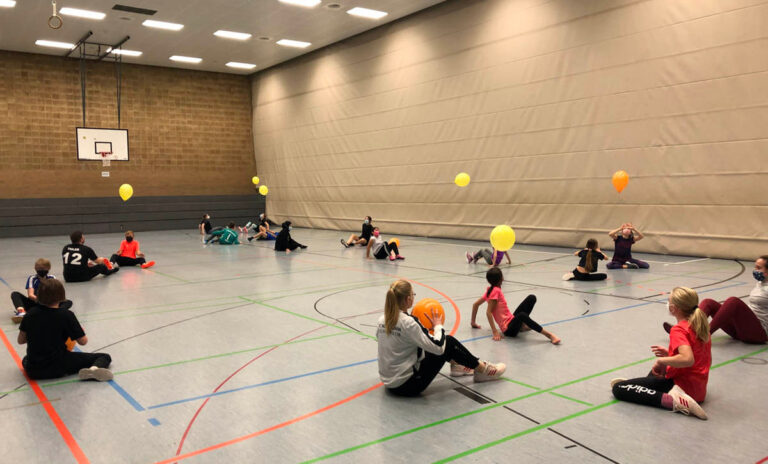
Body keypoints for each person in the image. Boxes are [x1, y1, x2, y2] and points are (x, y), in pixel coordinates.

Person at [377, 280, 506, 396]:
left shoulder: (382, 320)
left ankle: (457, 366)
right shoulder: (409, 322)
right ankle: (484, 370)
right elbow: (438, 347)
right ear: (407, 299)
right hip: (408, 386)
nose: (413, 298)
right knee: (447, 342)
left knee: (426, 343)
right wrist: (438, 326)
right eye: (412, 295)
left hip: (389, 382)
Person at [611, 287, 710, 420]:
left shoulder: (678, 330)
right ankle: (639, 385)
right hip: (698, 389)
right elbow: (696, 357)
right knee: (655, 372)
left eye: (669, 301)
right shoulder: (699, 326)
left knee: (618, 388)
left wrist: (662, 361)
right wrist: (670, 354)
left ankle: (675, 401)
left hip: (683, 387)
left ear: (673, 308)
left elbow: (688, 359)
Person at [17, 279, 113, 381]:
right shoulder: (66, 315)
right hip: (59, 366)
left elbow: (21, 340)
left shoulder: (30, 314)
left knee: (26, 359)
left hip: (34, 370)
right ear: (61, 295)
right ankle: (93, 369)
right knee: (104, 356)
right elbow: (83, 341)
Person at [663, 255, 768, 344]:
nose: (755, 270)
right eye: (755, 267)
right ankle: (686, 328)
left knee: (733, 301)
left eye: (759, 268)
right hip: (742, 329)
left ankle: (703, 335)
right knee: (709, 303)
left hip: (758, 333)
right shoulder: (761, 283)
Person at [471, 267, 560, 344]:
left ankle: (521, 326)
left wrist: (473, 322)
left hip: (511, 321)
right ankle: (549, 335)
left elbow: (475, 305)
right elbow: (488, 312)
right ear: (501, 279)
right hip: (508, 330)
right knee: (522, 315)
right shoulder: (495, 291)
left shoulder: (490, 290)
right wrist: (495, 331)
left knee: (531, 298)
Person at [10, 258, 57, 323]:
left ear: (49, 268)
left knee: (67, 302)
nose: (41, 271)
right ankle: (21, 312)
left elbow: (55, 293)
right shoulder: (32, 278)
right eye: (39, 269)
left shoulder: (52, 278)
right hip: (35, 302)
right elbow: (30, 295)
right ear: (35, 268)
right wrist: (41, 301)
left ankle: (52, 311)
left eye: (43, 269)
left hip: (48, 303)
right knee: (15, 294)